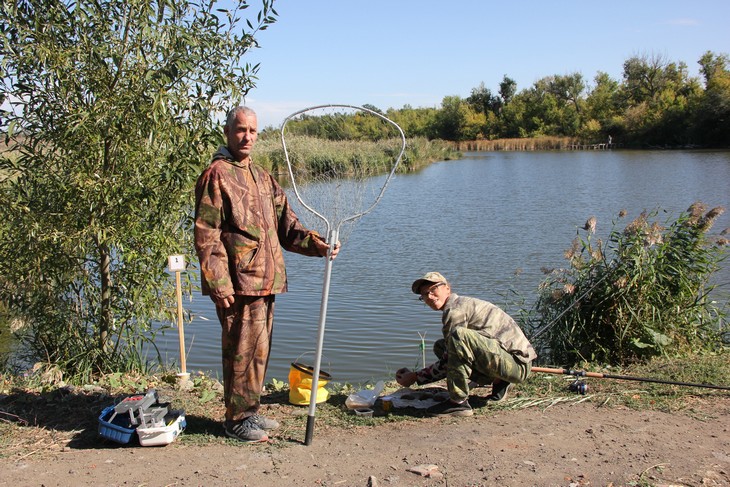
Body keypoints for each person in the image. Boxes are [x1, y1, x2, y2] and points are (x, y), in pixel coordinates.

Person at [194, 106, 340, 442]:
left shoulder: (262, 177)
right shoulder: (216, 175)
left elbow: (287, 226)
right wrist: (218, 282)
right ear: (228, 132)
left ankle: (250, 412)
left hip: (265, 280)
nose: (247, 137)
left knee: (259, 351)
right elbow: (207, 233)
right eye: (241, 130)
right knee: (240, 352)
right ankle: (235, 421)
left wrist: (319, 245)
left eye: (253, 131)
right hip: (238, 282)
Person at [395, 272, 536, 417]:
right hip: (510, 361)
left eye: (433, 290)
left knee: (458, 336)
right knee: (441, 345)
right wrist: (416, 376)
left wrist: (415, 377)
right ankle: (499, 381)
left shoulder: (455, 311)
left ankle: (458, 403)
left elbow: (449, 360)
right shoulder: (459, 304)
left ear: (447, 288)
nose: (429, 297)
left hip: (517, 365)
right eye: (424, 294)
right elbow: (450, 355)